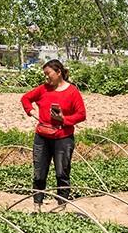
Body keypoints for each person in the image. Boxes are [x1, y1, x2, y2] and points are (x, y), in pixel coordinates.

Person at [21, 59, 86, 208]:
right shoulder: (43, 89)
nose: (46, 78)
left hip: (63, 138)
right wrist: (31, 112)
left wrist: (64, 120)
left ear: (58, 72)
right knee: (39, 172)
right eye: (45, 75)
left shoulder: (72, 92)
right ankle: (37, 204)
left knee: (61, 173)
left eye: (48, 74)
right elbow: (25, 98)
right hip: (42, 137)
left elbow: (81, 114)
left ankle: (61, 205)